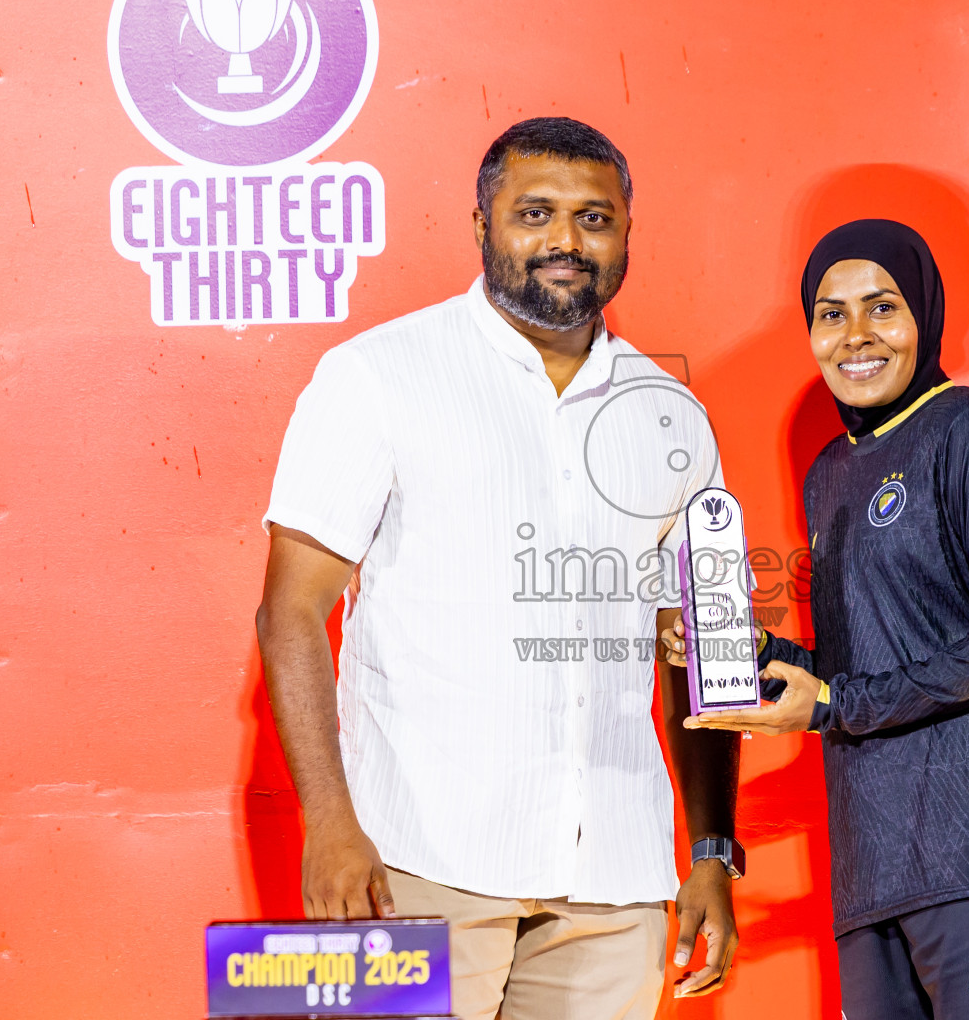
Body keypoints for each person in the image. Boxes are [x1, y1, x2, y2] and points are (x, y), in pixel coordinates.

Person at [256, 117, 742, 1020]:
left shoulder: (672, 415)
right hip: (411, 861)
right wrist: (329, 823)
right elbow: (291, 610)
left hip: (613, 882)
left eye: (594, 218)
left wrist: (711, 847)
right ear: (481, 224)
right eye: (535, 213)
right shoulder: (377, 376)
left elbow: (701, 650)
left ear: (628, 232)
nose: (565, 241)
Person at [675, 220, 969, 1018]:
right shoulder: (829, 473)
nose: (856, 336)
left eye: (881, 307)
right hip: (871, 883)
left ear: (924, 315)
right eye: (830, 314)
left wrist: (834, 706)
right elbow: (858, 672)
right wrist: (747, 652)